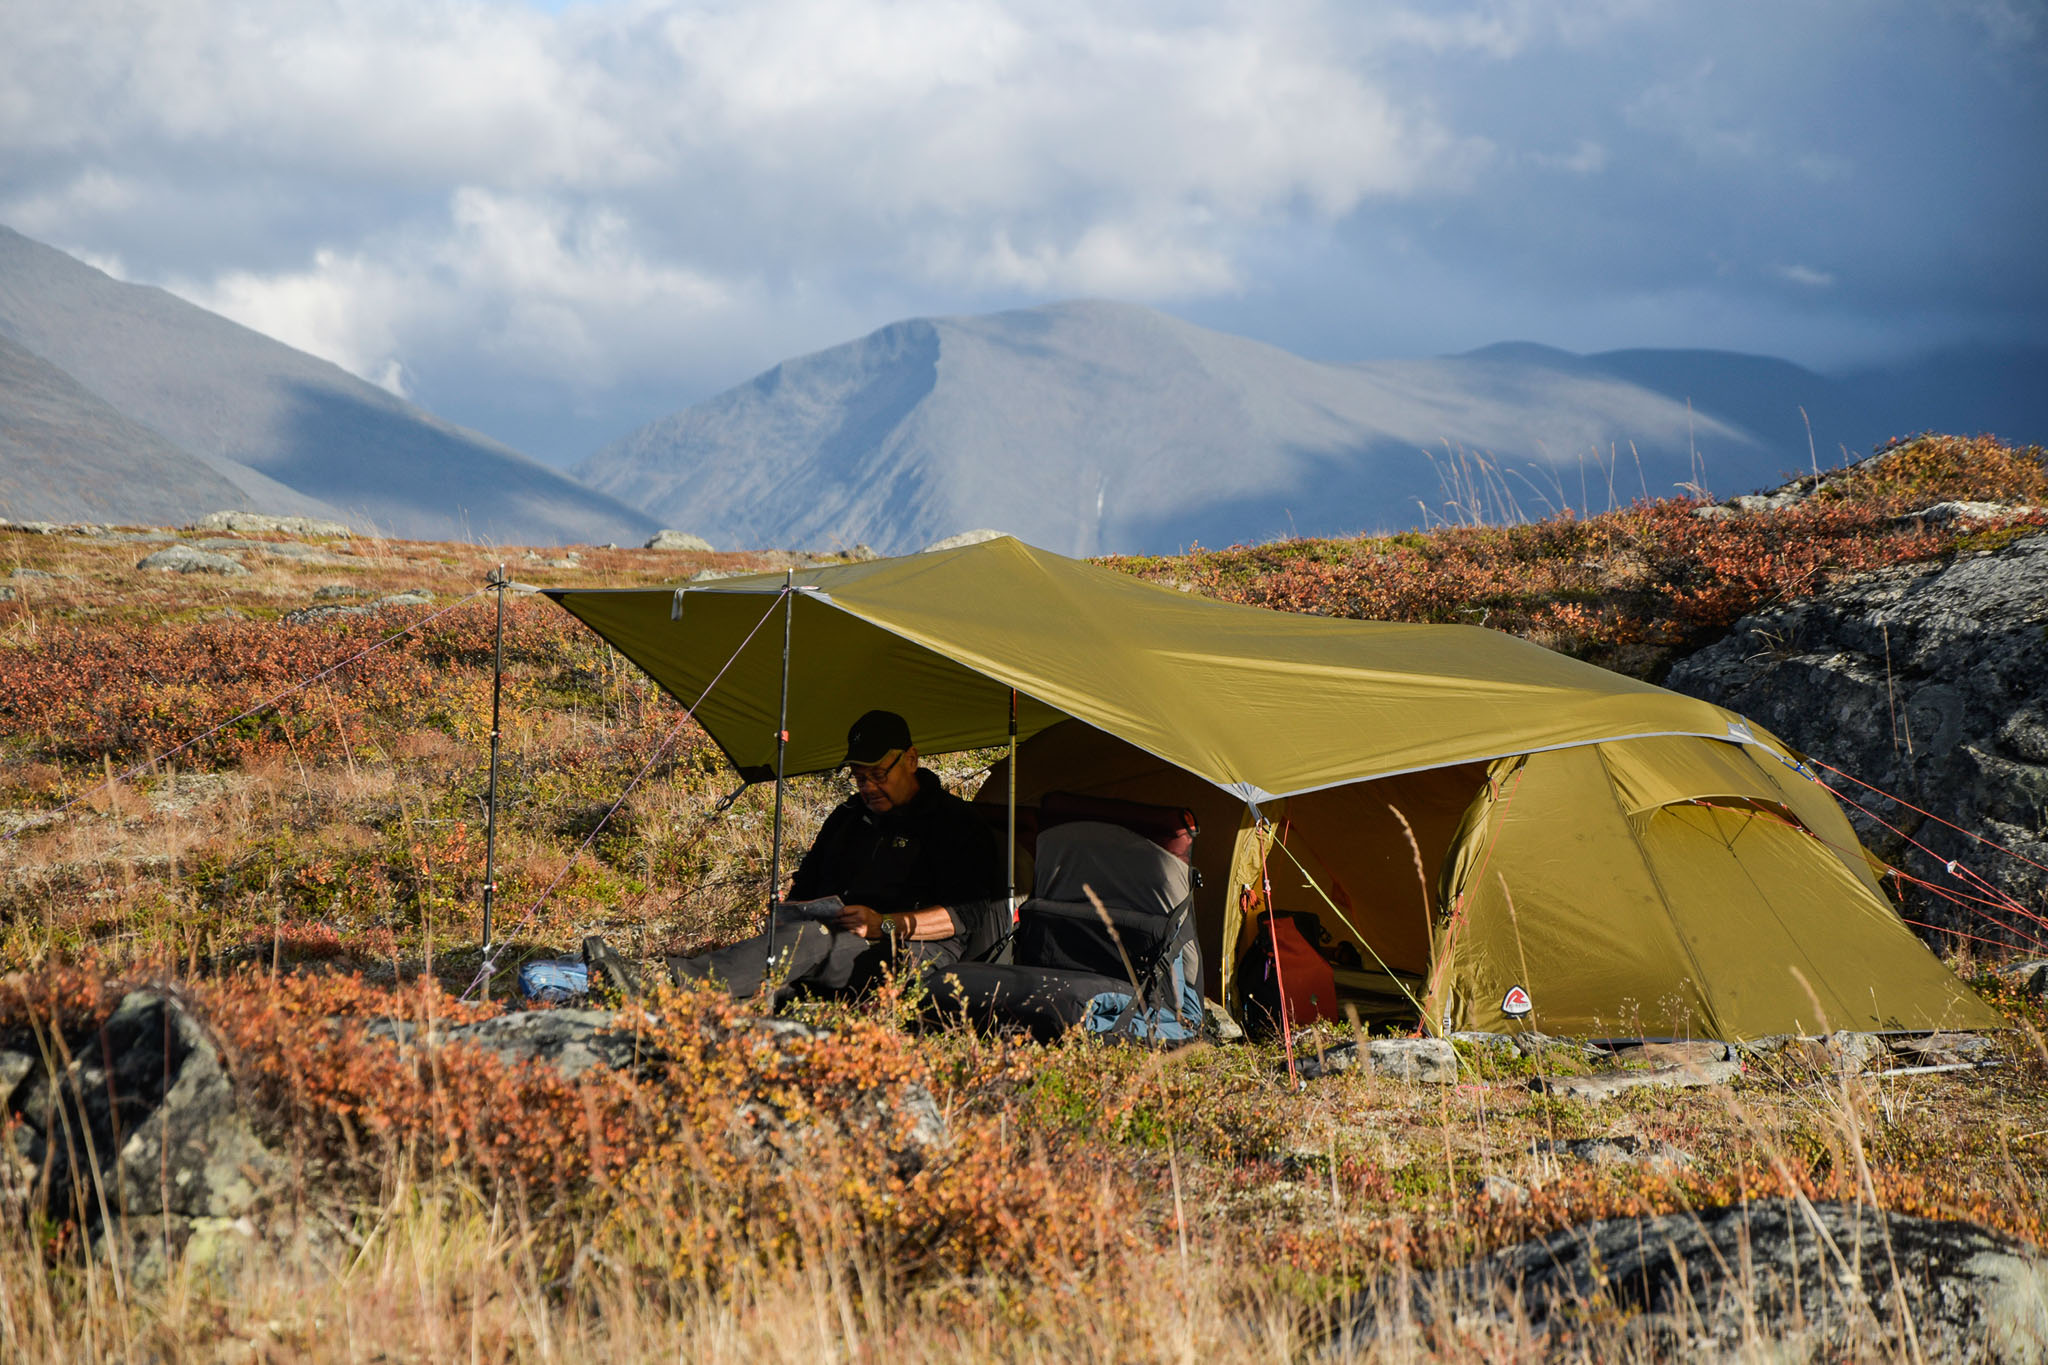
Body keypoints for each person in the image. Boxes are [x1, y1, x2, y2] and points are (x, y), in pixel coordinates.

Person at [665, 709, 1003, 1001]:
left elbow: (964, 916)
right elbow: (806, 886)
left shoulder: (956, 822)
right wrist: (789, 916)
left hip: (918, 950)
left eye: (878, 774)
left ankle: (670, 986)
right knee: (792, 957)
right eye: (859, 777)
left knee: (811, 942)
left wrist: (883, 925)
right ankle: (698, 1016)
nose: (868, 786)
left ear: (911, 760)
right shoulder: (848, 817)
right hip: (835, 939)